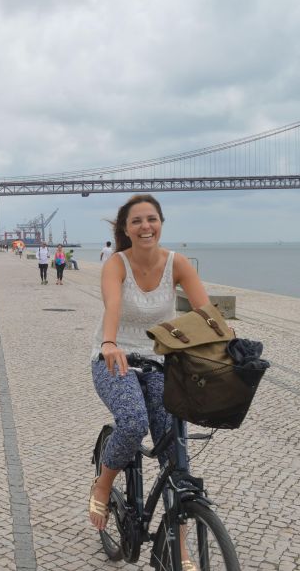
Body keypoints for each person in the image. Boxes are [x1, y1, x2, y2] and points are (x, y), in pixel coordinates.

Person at [88, 194, 210, 562]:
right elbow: (113, 306)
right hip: (114, 359)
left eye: (152, 219)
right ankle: (104, 484)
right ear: (125, 229)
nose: (146, 227)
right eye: (137, 221)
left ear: (161, 223)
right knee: (133, 422)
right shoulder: (116, 264)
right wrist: (109, 342)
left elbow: (206, 314)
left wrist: (229, 343)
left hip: (159, 363)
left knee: (176, 453)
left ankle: (181, 545)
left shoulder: (178, 263)